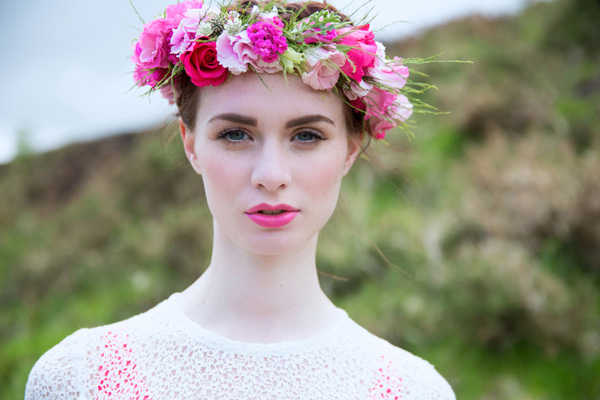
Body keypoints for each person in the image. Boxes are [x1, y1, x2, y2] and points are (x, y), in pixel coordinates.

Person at [25, 1, 455, 398]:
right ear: (191, 144)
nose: (270, 175)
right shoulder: (80, 377)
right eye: (235, 134)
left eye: (307, 135)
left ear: (350, 148)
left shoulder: (413, 391)